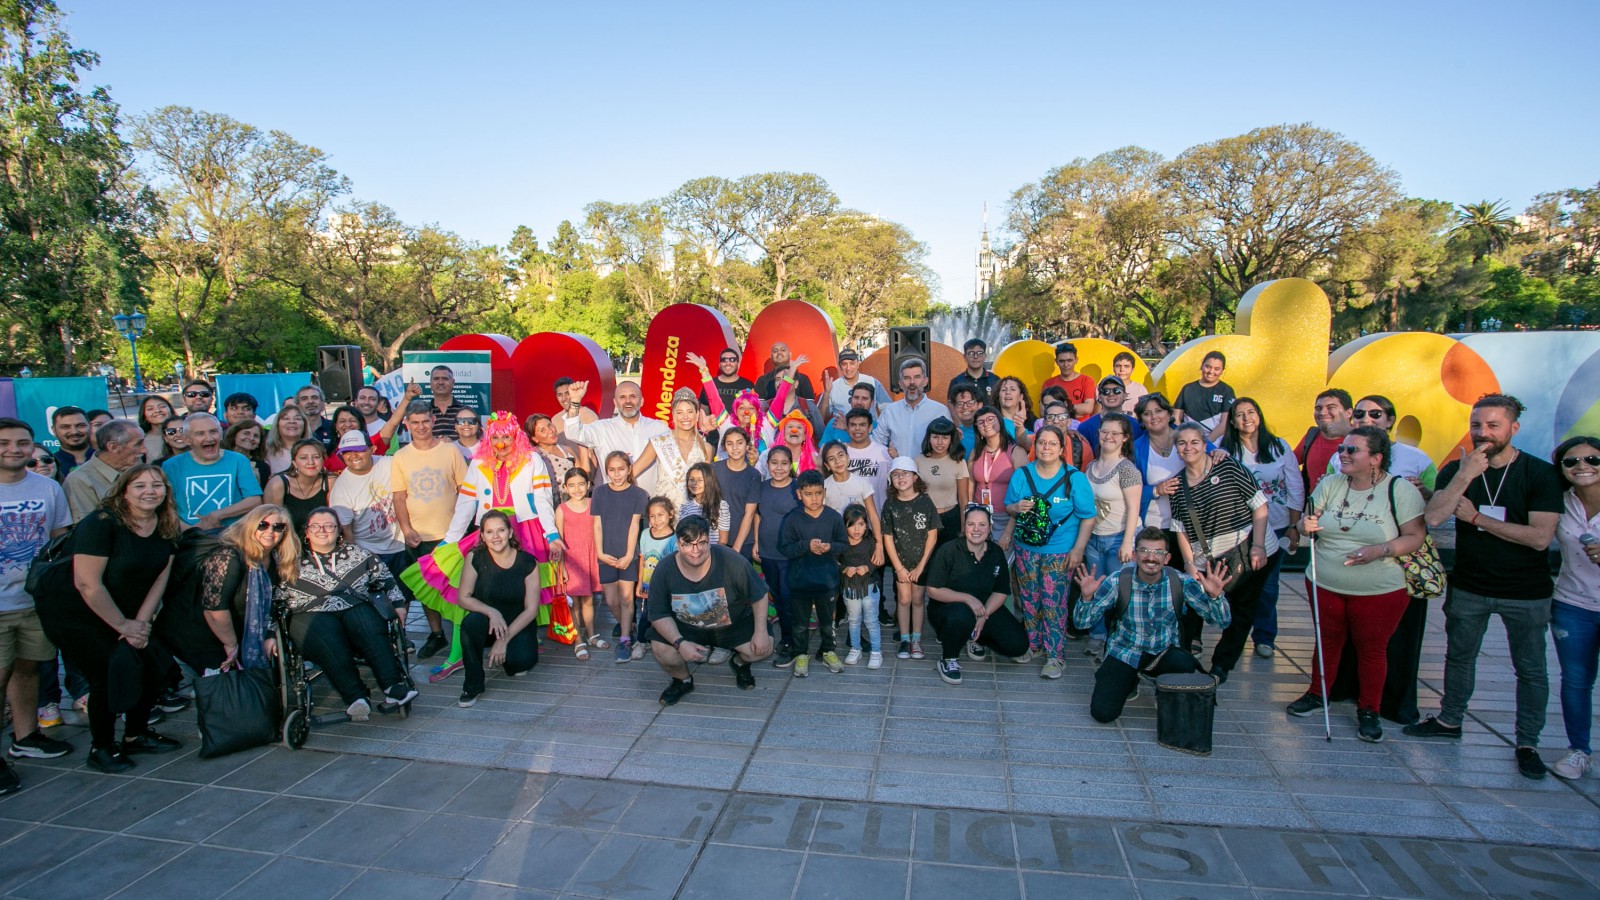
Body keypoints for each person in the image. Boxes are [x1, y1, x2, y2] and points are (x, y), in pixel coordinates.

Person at [1407, 394, 1563, 779]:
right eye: (1477, 425)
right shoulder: (1459, 471)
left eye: (1493, 425)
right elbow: (1435, 516)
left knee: (1530, 669)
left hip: (1526, 591)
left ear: (1514, 428)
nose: (1483, 433)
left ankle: (1528, 742)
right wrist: (1465, 474)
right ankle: (1449, 720)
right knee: (1459, 657)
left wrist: (1477, 518)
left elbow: (1540, 538)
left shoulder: (1539, 474)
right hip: (1470, 584)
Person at [34, 464, 180, 772]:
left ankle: (135, 734)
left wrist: (141, 625)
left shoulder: (164, 522)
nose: (150, 491)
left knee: (148, 664)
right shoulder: (102, 523)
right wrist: (123, 626)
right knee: (105, 676)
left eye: (157, 485)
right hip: (77, 613)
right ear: (123, 491)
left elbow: (161, 576)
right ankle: (101, 747)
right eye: (140, 485)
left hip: (129, 610)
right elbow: (88, 583)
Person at [1287, 425, 1426, 742]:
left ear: (1376, 458)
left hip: (1379, 589)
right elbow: (1306, 521)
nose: (1343, 454)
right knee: (1327, 642)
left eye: (1352, 450)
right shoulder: (1332, 484)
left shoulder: (1400, 490)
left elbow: (1416, 537)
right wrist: (1304, 524)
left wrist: (1381, 550)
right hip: (1325, 581)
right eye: (1342, 450)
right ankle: (1317, 693)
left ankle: (1369, 710)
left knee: (1372, 649)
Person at [409, 410, 563, 675]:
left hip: (524, 531)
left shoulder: (531, 460)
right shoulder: (478, 464)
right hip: (488, 530)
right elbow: (467, 504)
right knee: (463, 582)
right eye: (495, 438)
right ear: (488, 438)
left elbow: (542, 499)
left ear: (516, 437)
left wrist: (551, 535)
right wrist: (450, 539)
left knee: (524, 587)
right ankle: (459, 651)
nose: (501, 444)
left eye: (507, 437)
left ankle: (520, 637)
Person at [1070, 527, 1233, 723]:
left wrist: (1215, 597)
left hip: (1164, 653)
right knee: (1103, 713)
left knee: (1183, 662)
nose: (1151, 557)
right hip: (1125, 652)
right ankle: (1130, 682)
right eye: (1145, 551)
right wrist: (1086, 598)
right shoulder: (1118, 581)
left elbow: (1222, 622)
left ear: (1167, 558)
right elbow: (1081, 624)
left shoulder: (1180, 582)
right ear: (1134, 554)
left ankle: (1165, 690)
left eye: (1158, 552)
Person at [268, 508, 416, 722]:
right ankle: (356, 697)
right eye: (315, 526)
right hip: (309, 612)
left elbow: (386, 580)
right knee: (327, 638)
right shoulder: (289, 559)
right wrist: (270, 632)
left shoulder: (359, 554)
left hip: (353, 607)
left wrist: (399, 604)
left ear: (338, 531)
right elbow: (273, 600)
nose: (322, 530)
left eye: (329, 526)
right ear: (306, 531)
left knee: (369, 624)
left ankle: (393, 685)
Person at [1168, 421, 1276, 685]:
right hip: (1207, 556)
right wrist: (1190, 564)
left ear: (1205, 444)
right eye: (1182, 443)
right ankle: (1186, 658)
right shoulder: (1177, 485)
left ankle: (1221, 665)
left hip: (1248, 548)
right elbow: (1180, 529)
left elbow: (1259, 506)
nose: (1188, 447)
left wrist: (1258, 545)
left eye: (1194, 442)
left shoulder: (1227, 466)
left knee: (1241, 612)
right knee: (1192, 608)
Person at [0, 418, 74, 794]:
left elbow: (59, 540)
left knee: (28, 670)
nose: (14, 448)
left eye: (22, 442)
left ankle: (26, 737)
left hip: (33, 599)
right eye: (5, 442)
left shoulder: (48, 488)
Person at [646, 515, 773, 705]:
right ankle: (683, 681)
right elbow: (658, 614)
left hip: (733, 624)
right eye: (688, 544)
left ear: (709, 541)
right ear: (678, 544)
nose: (695, 550)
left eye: (702, 543)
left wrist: (761, 631)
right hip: (687, 627)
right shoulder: (664, 569)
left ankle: (740, 662)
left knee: (764, 647)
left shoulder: (731, 561)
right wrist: (680, 643)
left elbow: (759, 594)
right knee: (661, 648)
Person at [1005, 425, 1096, 679]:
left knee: (1053, 602)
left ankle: (1055, 655)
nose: (1046, 448)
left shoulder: (1074, 478)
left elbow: (1088, 517)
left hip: (1059, 551)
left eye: (1052, 443)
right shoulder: (1022, 474)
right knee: (1029, 597)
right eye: (1042, 443)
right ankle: (1033, 644)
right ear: (1034, 447)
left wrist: (1078, 550)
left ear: (1062, 448)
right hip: (1026, 549)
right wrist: (1016, 506)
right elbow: (1009, 506)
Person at [1220, 398, 1304, 660]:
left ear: (1259, 415)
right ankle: (1235, 634)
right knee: (1236, 584)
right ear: (1232, 421)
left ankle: (1265, 636)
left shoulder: (1279, 447)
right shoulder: (1226, 450)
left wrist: (1294, 525)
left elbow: (1295, 486)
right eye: (1240, 414)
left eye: (1251, 412)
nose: (1246, 419)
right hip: (1238, 529)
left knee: (1267, 585)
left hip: (1276, 526)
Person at [390, 399, 470, 660]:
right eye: (415, 422)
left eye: (425, 421)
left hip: (451, 535)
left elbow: (465, 491)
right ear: (407, 424)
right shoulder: (400, 457)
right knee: (426, 588)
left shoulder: (451, 451)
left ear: (433, 421)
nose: (421, 426)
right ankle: (437, 634)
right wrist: (406, 528)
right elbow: (399, 497)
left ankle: (464, 632)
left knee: (459, 586)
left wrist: (460, 530)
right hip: (418, 535)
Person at [922, 505, 1031, 684]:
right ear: (964, 527)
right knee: (961, 615)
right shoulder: (949, 550)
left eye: (982, 524)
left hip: (984, 608)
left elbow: (1001, 591)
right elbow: (933, 590)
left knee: (1018, 646)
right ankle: (949, 659)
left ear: (989, 527)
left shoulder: (995, 553)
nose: (976, 529)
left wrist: (984, 615)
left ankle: (976, 637)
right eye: (971, 524)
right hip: (949, 609)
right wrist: (968, 599)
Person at [1550, 436, 1600, 779]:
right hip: (1573, 603)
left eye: (1592, 459)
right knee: (1576, 680)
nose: (1582, 466)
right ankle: (1579, 750)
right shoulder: (1559, 503)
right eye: (1571, 461)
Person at [456, 510, 542, 706]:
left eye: (501, 530)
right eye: (489, 532)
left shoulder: (528, 562)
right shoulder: (475, 557)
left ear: (510, 532)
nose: (495, 537)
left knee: (520, 665)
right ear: (483, 536)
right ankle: (473, 684)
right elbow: (463, 598)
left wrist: (504, 639)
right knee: (470, 624)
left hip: (516, 624)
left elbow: (531, 610)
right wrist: (491, 612)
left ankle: (505, 650)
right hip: (487, 622)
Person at [1081, 411, 1143, 660]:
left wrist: (1128, 542)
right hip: (1094, 537)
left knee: (1119, 592)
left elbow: (1134, 508)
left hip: (1119, 537)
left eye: (1115, 433)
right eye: (1104, 431)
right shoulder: (1090, 466)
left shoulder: (1127, 469)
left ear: (1125, 438)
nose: (1108, 436)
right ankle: (1097, 636)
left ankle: (1117, 640)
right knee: (1096, 589)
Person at [326, 431, 409, 601]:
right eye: (347, 452)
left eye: (359, 450)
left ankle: (401, 627)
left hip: (401, 545)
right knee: (377, 599)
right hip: (369, 550)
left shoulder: (390, 463)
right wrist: (358, 562)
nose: (353, 456)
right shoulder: (341, 489)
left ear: (372, 449)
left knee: (403, 596)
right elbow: (347, 532)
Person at [778, 470, 845, 677]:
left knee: (827, 622)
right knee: (799, 624)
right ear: (799, 494)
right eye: (808, 494)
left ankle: (828, 651)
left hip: (827, 582)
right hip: (800, 582)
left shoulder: (833, 517)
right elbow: (785, 548)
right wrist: (806, 545)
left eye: (818, 493)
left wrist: (829, 547)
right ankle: (800, 654)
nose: (814, 499)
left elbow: (843, 544)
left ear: (824, 492)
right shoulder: (792, 519)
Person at [563, 380, 670, 495]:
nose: (628, 401)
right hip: (614, 501)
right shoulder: (602, 428)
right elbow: (573, 433)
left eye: (633, 396)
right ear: (615, 402)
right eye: (622, 397)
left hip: (652, 504)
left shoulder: (659, 428)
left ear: (642, 401)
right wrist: (574, 402)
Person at [162, 413, 264, 530]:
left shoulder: (238, 460)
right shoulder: (171, 466)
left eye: (213, 432)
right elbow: (168, 509)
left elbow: (254, 500)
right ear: (187, 439)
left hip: (233, 535)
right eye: (200, 433)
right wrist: (194, 530)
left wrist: (217, 515)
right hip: (191, 538)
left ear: (221, 434)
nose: (209, 438)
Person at [881, 456, 939, 661]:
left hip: (921, 562)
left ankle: (916, 639)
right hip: (901, 563)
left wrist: (922, 566)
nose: (901, 478)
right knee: (904, 599)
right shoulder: (890, 505)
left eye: (905, 473)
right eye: (896, 474)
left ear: (915, 477)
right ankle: (904, 638)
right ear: (891, 480)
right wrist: (898, 568)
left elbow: (932, 534)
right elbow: (887, 536)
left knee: (917, 599)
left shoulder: (925, 501)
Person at [688, 351, 796, 458]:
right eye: (741, 408)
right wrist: (703, 369)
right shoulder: (727, 423)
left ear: (757, 410)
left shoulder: (767, 424)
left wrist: (792, 371)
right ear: (735, 410)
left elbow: (780, 398)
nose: (746, 412)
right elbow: (713, 398)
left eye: (751, 408)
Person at [593, 451, 648, 663]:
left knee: (627, 599)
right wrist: (599, 552)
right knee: (611, 600)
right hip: (605, 553)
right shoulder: (599, 493)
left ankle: (625, 639)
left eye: (621, 469)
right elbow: (597, 524)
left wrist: (628, 555)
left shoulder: (638, 494)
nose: (617, 474)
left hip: (627, 555)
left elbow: (635, 525)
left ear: (629, 470)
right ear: (606, 471)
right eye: (612, 470)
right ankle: (630, 626)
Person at [755, 446, 801, 666]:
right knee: (778, 599)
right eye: (774, 463)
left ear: (790, 465)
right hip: (767, 552)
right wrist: (756, 541)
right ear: (768, 464)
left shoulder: (797, 488)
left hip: (789, 556)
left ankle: (793, 643)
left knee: (788, 598)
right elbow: (757, 516)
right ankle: (786, 637)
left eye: (784, 463)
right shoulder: (762, 488)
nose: (779, 468)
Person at [632, 389, 712, 511]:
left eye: (690, 412)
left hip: (693, 516)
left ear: (697, 414)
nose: (685, 417)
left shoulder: (705, 448)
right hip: (662, 517)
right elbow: (632, 473)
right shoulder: (659, 442)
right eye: (680, 412)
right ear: (674, 415)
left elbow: (707, 485)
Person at [1347, 396, 1437, 497]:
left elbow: (1438, 499)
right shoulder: (1340, 456)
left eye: (1375, 414)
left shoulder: (1417, 458)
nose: (1365, 419)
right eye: (1359, 414)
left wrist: (1424, 492)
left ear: (1390, 421)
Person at [556, 467, 603, 659]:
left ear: (588, 485)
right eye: (572, 485)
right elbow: (558, 540)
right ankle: (578, 639)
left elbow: (600, 530)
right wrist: (561, 567)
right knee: (574, 603)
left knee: (589, 599)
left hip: (590, 557)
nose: (577, 489)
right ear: (565, 487)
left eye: (581, 484)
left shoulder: (594, 504)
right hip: (572, 560)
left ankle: (591, 634)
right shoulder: (562, 509)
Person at [970, 406, 1029, 551]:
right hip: (980, 515)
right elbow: (970, 485)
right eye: (981, 422)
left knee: (1003, 565)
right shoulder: (975, 453)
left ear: (1000, 422)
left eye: (991, 419)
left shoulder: (1016, 452)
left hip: (1006, 517)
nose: (986, 424)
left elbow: (1024, 495)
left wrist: (1008, 532)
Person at [63, 420, 143, 522]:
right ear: (113, 447)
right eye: (138, 444)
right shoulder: (79, 480)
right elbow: (87, 530)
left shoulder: (137, 466)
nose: (144, 450)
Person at [873, 358, 950, 459]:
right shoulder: (890, 411)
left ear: (925, 381)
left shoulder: (940, 411)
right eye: (907, 378)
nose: (912, 382)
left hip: (929, 473)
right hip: (899, 472)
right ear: (900, 384)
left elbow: (949, 446)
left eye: (917, 377)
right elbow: (876, 443)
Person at [915, 417, 970, 547]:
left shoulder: (959, 462)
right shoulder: (919, 460)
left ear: (952, 440)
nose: (940, 442)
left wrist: (964, 529)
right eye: (935, 437)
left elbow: (963, 500)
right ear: (929, 438)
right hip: (925, 518)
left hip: (951, 519)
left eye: (945, 438)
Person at [838, 504, 881, 667]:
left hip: (869, 586)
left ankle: (876, 651)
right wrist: (844, 569)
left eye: (861, 524)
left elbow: (879, 561)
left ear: (866, 525)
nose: (857, 529)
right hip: (850, 588)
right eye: (852, 525)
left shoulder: (870, 541)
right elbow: (834, 562)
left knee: (871, 620)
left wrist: (868, 568)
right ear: (845, 525)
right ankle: (856, 648)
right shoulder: (841, 543)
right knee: (854, 619)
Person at [634, 497, 677, 661]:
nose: (657, 520)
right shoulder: (645, 534)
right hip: (648, 583)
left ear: (670, 515)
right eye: (652, 516)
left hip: (666, 587)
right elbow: (642, 560)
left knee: (667, 614)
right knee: (646, 614)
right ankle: (640, 641)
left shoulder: (674, 539)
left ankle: (666, 641)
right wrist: (640, 582)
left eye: (661, 515)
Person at [263, 439, 337, 533]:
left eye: (316, 457)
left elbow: (336, 520)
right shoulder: (278, 484)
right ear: (294, 463)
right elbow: (273, 525)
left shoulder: (330, 481)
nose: (311, 462)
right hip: (287, 541)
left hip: (322, 538)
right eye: (303, 458)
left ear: (323, 460)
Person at [713, 429, 762, 559]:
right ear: (724, 447)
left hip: (743, 540)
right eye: (730, 443)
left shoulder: (753, 475)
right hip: (716, 537)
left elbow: (750, 513)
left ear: (747, 446)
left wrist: (736, 548)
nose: (735, 448)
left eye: (739, 443)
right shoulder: (714, 469)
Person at [1297, 389, 1353, 496]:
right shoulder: (1311, 436)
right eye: (1318, 408)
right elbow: (1287, 464)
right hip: (1315, 507)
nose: (1322, 413)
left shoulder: (1361, 439)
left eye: (1331, 407)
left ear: (1348, 413)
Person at [526, 413, 594, 502]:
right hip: (550, 506)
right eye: (543, 430)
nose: (550, 431)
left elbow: (584, 477)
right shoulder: (534, 455)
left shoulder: (568, 450)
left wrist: (583, 448)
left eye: (550, 425)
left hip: (573, 504)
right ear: (535, 439)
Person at [1173, 351, 1235, 440]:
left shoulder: (1227, 391)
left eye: (1217, 369)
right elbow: (1176, 418)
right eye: (1208, 367)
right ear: (1202, 366)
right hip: (1189, 441)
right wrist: (1184, 439)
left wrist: (1207, 443)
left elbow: (1225, 422)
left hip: (1216, 442)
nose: (1211, 371)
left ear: (1222, 371)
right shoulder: (1188, 388)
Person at [841, 408, 892, 513]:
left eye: (862, 425)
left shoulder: (884, 452)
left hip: (878, 517)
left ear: (870, 428)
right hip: (848, 519)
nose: (857, 429)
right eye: (853, 425)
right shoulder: (840, 453)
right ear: (847, 427)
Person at [1079, 376, 1144, 457]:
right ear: (1099, 397)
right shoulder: (1085, 427)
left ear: (1124, 395)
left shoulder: (1136, 426)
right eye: (1106, 391)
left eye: (1117, 391)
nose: (1111, 394)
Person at [824, 348, 889, 420]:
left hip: (870, 430)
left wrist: (879, 427)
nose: (848, 368)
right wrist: (826, 393)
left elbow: (887, 410)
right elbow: (821, 417)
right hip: (841, 430)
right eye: (844, 364)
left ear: (858, 364)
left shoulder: (872, 382)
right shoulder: (832, 387)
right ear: (839, 366)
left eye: (852, 363)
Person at [754, 342, 816, 413]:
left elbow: (811, 409)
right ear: (771, 357)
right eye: (775, 351)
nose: (779, 352)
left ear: (790, 355)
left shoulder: (802, 378)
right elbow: (759, 409)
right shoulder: (762, 380)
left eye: (783, 350)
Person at [1041, 342, 1095, 420]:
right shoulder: (1049, 383)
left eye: (1069, 360)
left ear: (1076, 360)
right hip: (1057, 428)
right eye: (1062, 361)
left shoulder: (1087, 381)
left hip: (1080, 429)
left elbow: (1088, 408)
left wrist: (1055, 410)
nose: (1066, 365)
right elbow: (1043, 412)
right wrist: (1073, 411)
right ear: (1056, 362)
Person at [680, 462, 730, 543]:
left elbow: (723, 540)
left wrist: (713, 555)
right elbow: (683, 536)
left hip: (712, 553)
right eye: (691, 480)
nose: (695, 483)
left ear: (709, 481)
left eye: (700, 480)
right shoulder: (685, 507)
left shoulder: (721, 506)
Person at [697, 347, 757, 414]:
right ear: (719, 365)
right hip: (715, 424)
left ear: (738, 364)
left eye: (732, 359)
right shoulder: (710, 385)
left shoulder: (748, 385)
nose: (728, 363)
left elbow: (754, 411)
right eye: (724, 360)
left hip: (739, 424)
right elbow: (704, 412)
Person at [819, 383, 877, 448]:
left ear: (872, 403)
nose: (859, 402)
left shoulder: (877, 427)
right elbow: (822, 451)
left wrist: (848, 428)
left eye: (864, 398)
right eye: (856, 397)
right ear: (850, 400)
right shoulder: (835, 423)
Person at [945, 338, 998, 405]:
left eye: (979, 353)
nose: (975, 356)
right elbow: (951, 406)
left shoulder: (995, 380)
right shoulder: (957, 381)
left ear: (985, 356)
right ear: (964, 357)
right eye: (971, 353)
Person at [423, 366, 469, 441]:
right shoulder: (423, 411)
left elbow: (474, 439)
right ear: (430, 383)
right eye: (436, 379)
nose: (440, 382)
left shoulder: (465, 411)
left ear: (453, 382)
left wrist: (452, 446)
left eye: (445, 378)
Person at [222, 420, 271, 489]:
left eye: (256, 436)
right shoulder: (220, 459)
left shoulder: (263, 467)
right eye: (246, 433)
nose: (251, 438)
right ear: (234, 436)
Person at [992, 377, 1038, 448]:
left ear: (1021, 396)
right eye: (1004, 390)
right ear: (998, 397)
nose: (1007, 392)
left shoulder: (1032, 421)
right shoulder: (991, 421)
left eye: (1012, 389)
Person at [50, 406, 93, 481]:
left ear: (90, 427)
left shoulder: (107, 459)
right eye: (65, 427)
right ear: (54, 431)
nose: (74, 432)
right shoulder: (49, 464)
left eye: (80, 426)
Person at [265, 405, 309, 476]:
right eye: (286, 418)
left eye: (297, 418)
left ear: (305, 425)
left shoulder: (315, 450)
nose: (292, 421)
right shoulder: (265, 451)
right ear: (277, 424)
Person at [296, 384, 336, 452]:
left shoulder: (334, 427)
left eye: (315, 397)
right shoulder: (293, 429)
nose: (310, 401)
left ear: (322, 404)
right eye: (304, 399)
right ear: (298, 406)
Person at [140, 395, 177, 462]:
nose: (157, 410)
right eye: (150, 409)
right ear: (144, 416)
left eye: (162, 406)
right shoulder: (141, 440)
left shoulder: (186, 431)